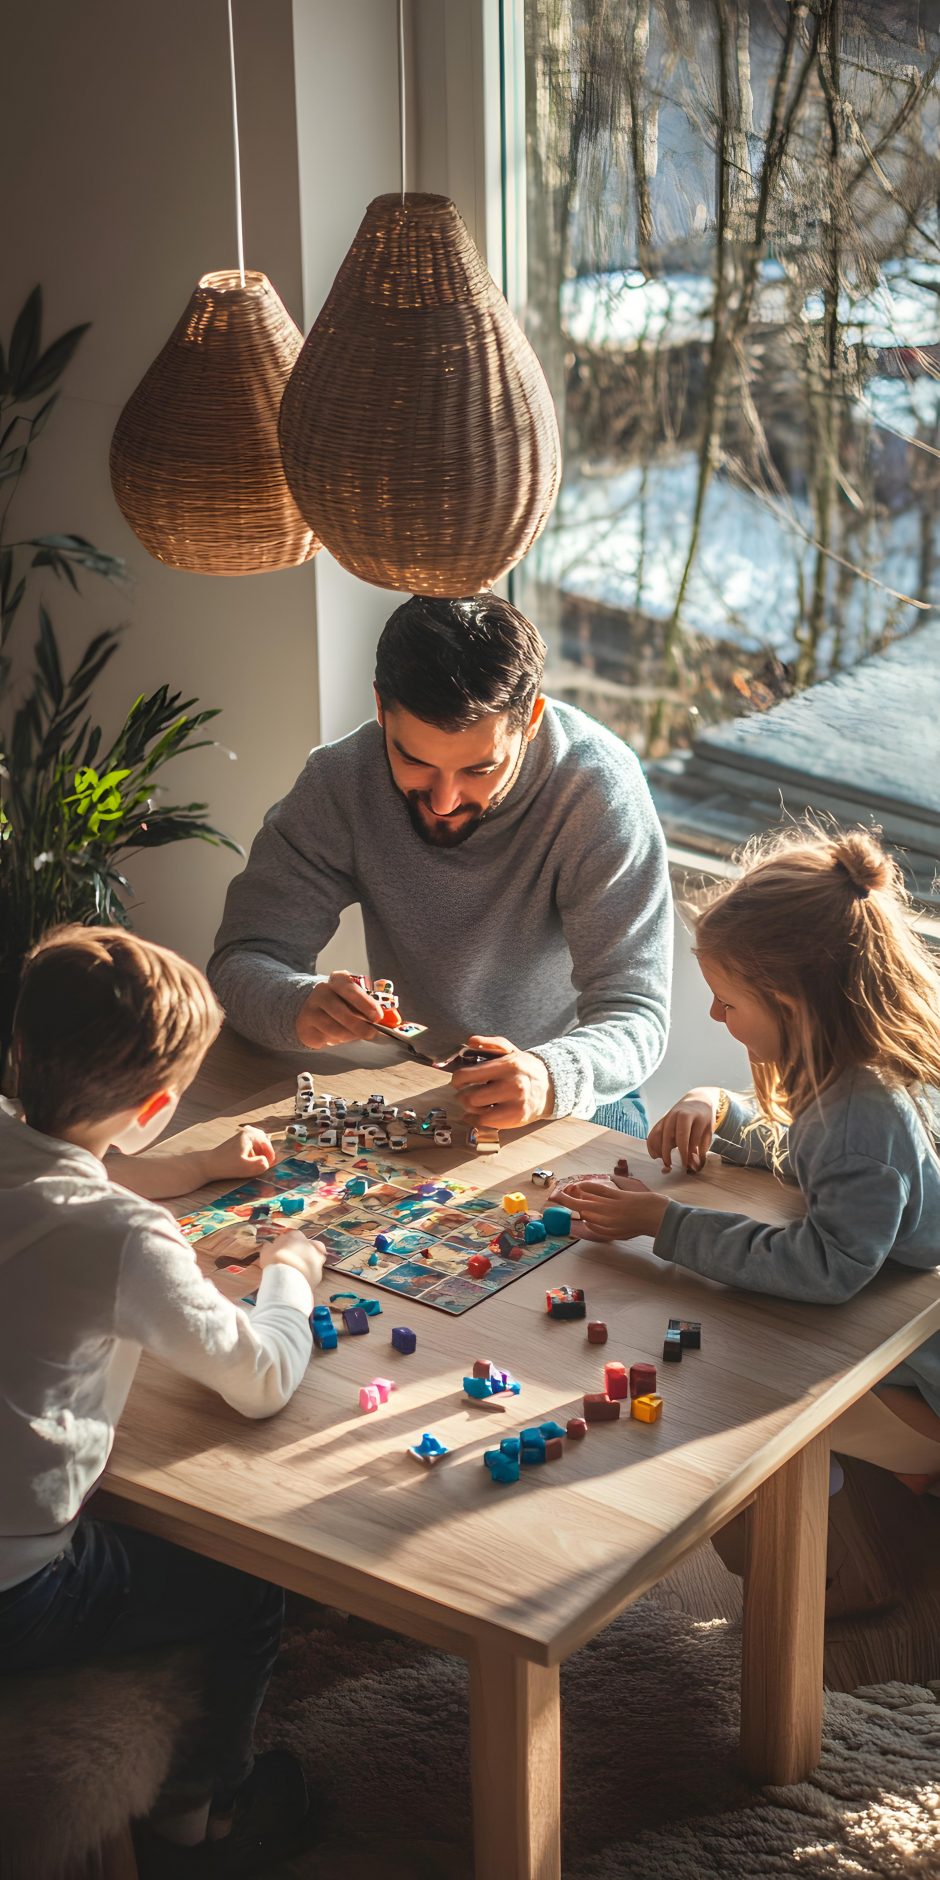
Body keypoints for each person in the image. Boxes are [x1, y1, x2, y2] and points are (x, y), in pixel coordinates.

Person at [0, 925, 326, 1876]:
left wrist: (195, 1167)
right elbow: (261, 1382)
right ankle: (203, 1820)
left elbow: (67, 1164)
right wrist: (290, 1274)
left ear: (19, 1050)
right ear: (155, 1105)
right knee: (239, 1583)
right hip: (16, 1598)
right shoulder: (124, 1238)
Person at [560, 827, 940, 1513]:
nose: (714, 1014)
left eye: (728, 1003)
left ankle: (822, 1559)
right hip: (899, 1342)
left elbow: (825, 1269)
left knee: (735, 1389)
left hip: (921, 1386)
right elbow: (803, 1151)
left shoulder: (860, 1118)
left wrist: (664, 1222)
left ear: (792, 1005)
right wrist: (721, 1108)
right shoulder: (842, 1078)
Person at [208, 593, 673, 1139]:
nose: (445, 800)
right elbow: (242, 961)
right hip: (416, 1083)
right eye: (415, 762)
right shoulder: (340, 781)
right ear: (381, 709)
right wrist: (298, 1004)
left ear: (530, 722)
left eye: (480, 768)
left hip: (573, 1086)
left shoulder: (597, 792)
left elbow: (636, 1013)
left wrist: (550, 1075)